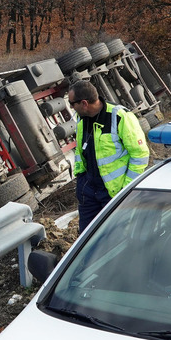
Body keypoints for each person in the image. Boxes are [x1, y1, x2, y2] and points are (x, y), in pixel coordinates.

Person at [68, 79, 150, 233]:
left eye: (72, 104)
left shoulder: (120, 116)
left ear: (84, 103)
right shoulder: (81, 118)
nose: (72, 108)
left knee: (114, 236)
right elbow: (81, 150)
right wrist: (81, 179)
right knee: (87, 237)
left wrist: (126, 190)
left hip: (113, 193)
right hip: (88, 191)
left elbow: (140, 155)